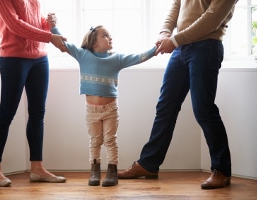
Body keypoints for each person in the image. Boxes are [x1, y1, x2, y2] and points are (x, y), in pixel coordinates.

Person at [118, 0, 238, 190]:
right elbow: (176, 5)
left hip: (205, 47)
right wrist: (165, 32)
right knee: (165, 107)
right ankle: (148, 164)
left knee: (203, 109)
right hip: (181, 48)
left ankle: (222, 170)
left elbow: (212, 18)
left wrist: (174, 41)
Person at [50, 24, 156, 187]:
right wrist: (53, 26)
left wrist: (157, 48)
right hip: (91, 111)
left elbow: (139, 57)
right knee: (95, 141)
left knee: (110, 140)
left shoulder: (116, 58)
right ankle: (95, 172)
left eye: (109, 35)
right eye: (105, 35)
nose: (110, 37)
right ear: (94, 43)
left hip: (110, 109)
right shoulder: (83, 55)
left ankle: (112, 172)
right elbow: (63, 44)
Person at [0, 0, 68, 187]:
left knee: (37, 114)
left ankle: (37, 168)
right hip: (13, 58)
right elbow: (15, 24)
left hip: (39, 59)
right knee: (6, 113)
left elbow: (34, 21)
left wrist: (48, 23)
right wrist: (50, 37)